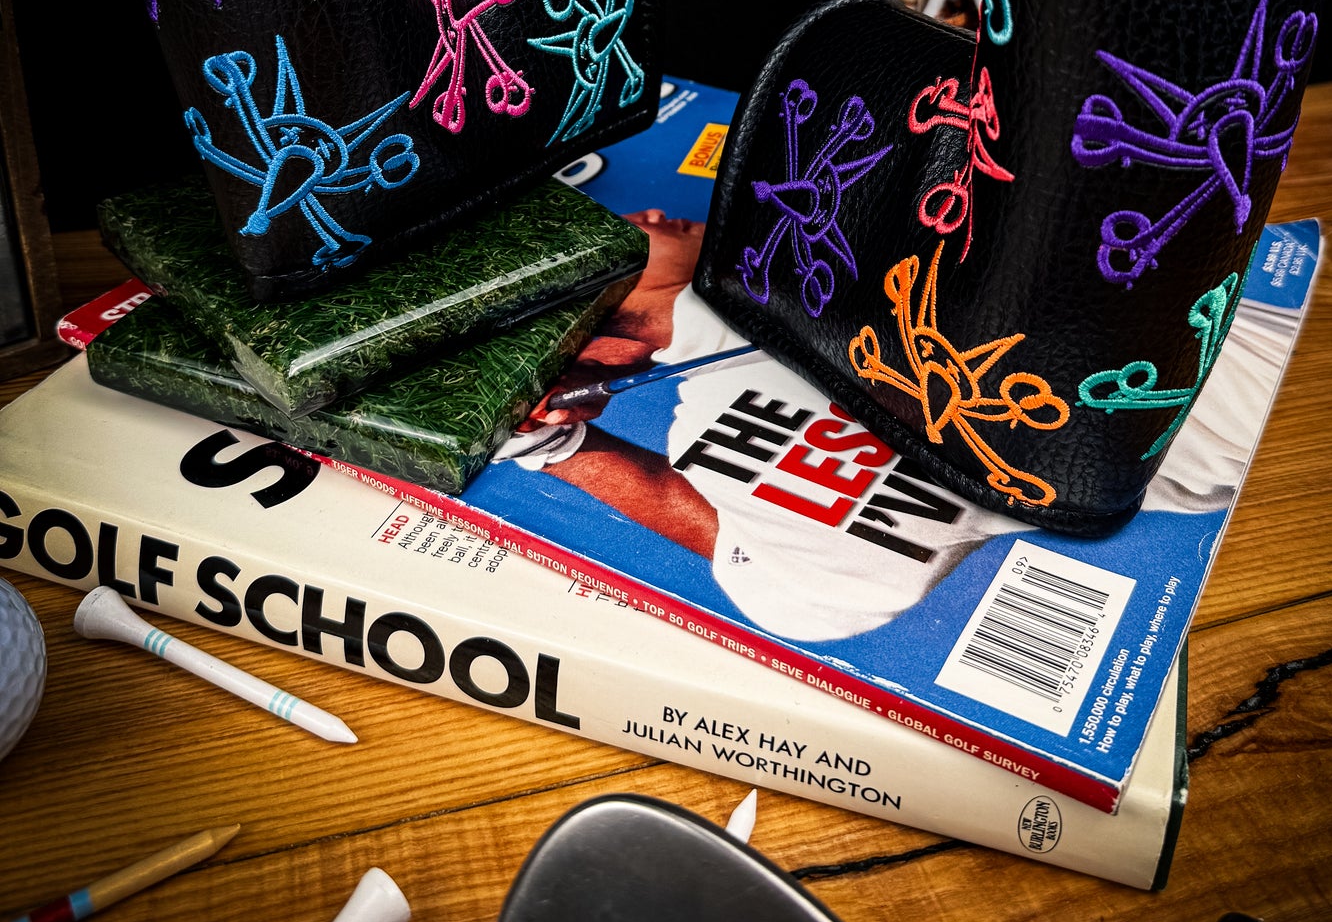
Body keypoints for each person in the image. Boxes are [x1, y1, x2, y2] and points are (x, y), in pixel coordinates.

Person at [494, 210, 1287, 642]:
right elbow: (759, 562)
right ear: (588, 331)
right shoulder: (732, 379)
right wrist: (560, 440)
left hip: (1250, 406)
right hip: (1256, 447)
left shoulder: (797, 251)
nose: (643, 212)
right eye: (608, 235)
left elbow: (765, 569)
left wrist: (560, 444)